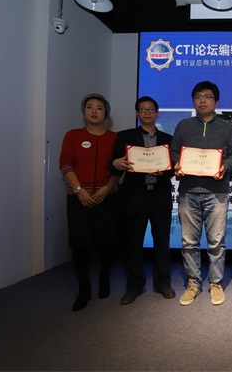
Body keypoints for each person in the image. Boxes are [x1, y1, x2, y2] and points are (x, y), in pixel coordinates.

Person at [171, 81, 232, 306]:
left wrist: (225, 167)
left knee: (216, 241)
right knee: (189, 241)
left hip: (217, 192)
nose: (202, 100)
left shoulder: (227, 128)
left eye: (208, 96)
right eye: (198, 96)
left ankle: (215, 282)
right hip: (188, 191)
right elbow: (173, 151)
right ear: (193, 100)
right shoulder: (183, 125)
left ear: (216, 102)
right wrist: (177, 163)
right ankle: (193, 282)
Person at [110, 96, 175, 305]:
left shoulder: (168, 139)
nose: (147, 112)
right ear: (137, 113)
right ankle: (134, 286)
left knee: (162, 243)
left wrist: (165, 171)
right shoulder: (124, 137)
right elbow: (112, 165)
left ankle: (162, 283)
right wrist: (116, 163)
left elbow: (173, 168)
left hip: (159, 195)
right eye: (142, 109)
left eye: (151, 109)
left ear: (157, 113)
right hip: (133, 196)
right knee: (132, 244)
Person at [59, 93, 120, 311]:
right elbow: (65, 164)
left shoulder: (115, 138)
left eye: (99, 108)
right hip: (78, 199)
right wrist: (79, 191)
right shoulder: (73, 135)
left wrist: (106, 189)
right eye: (90, 107)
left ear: (106, 113)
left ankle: (104, 279)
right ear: (83, 111)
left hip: (107, 197)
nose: (94, 111)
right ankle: (83, 290)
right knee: (80, 246)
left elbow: (119, 167)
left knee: (106, 243)